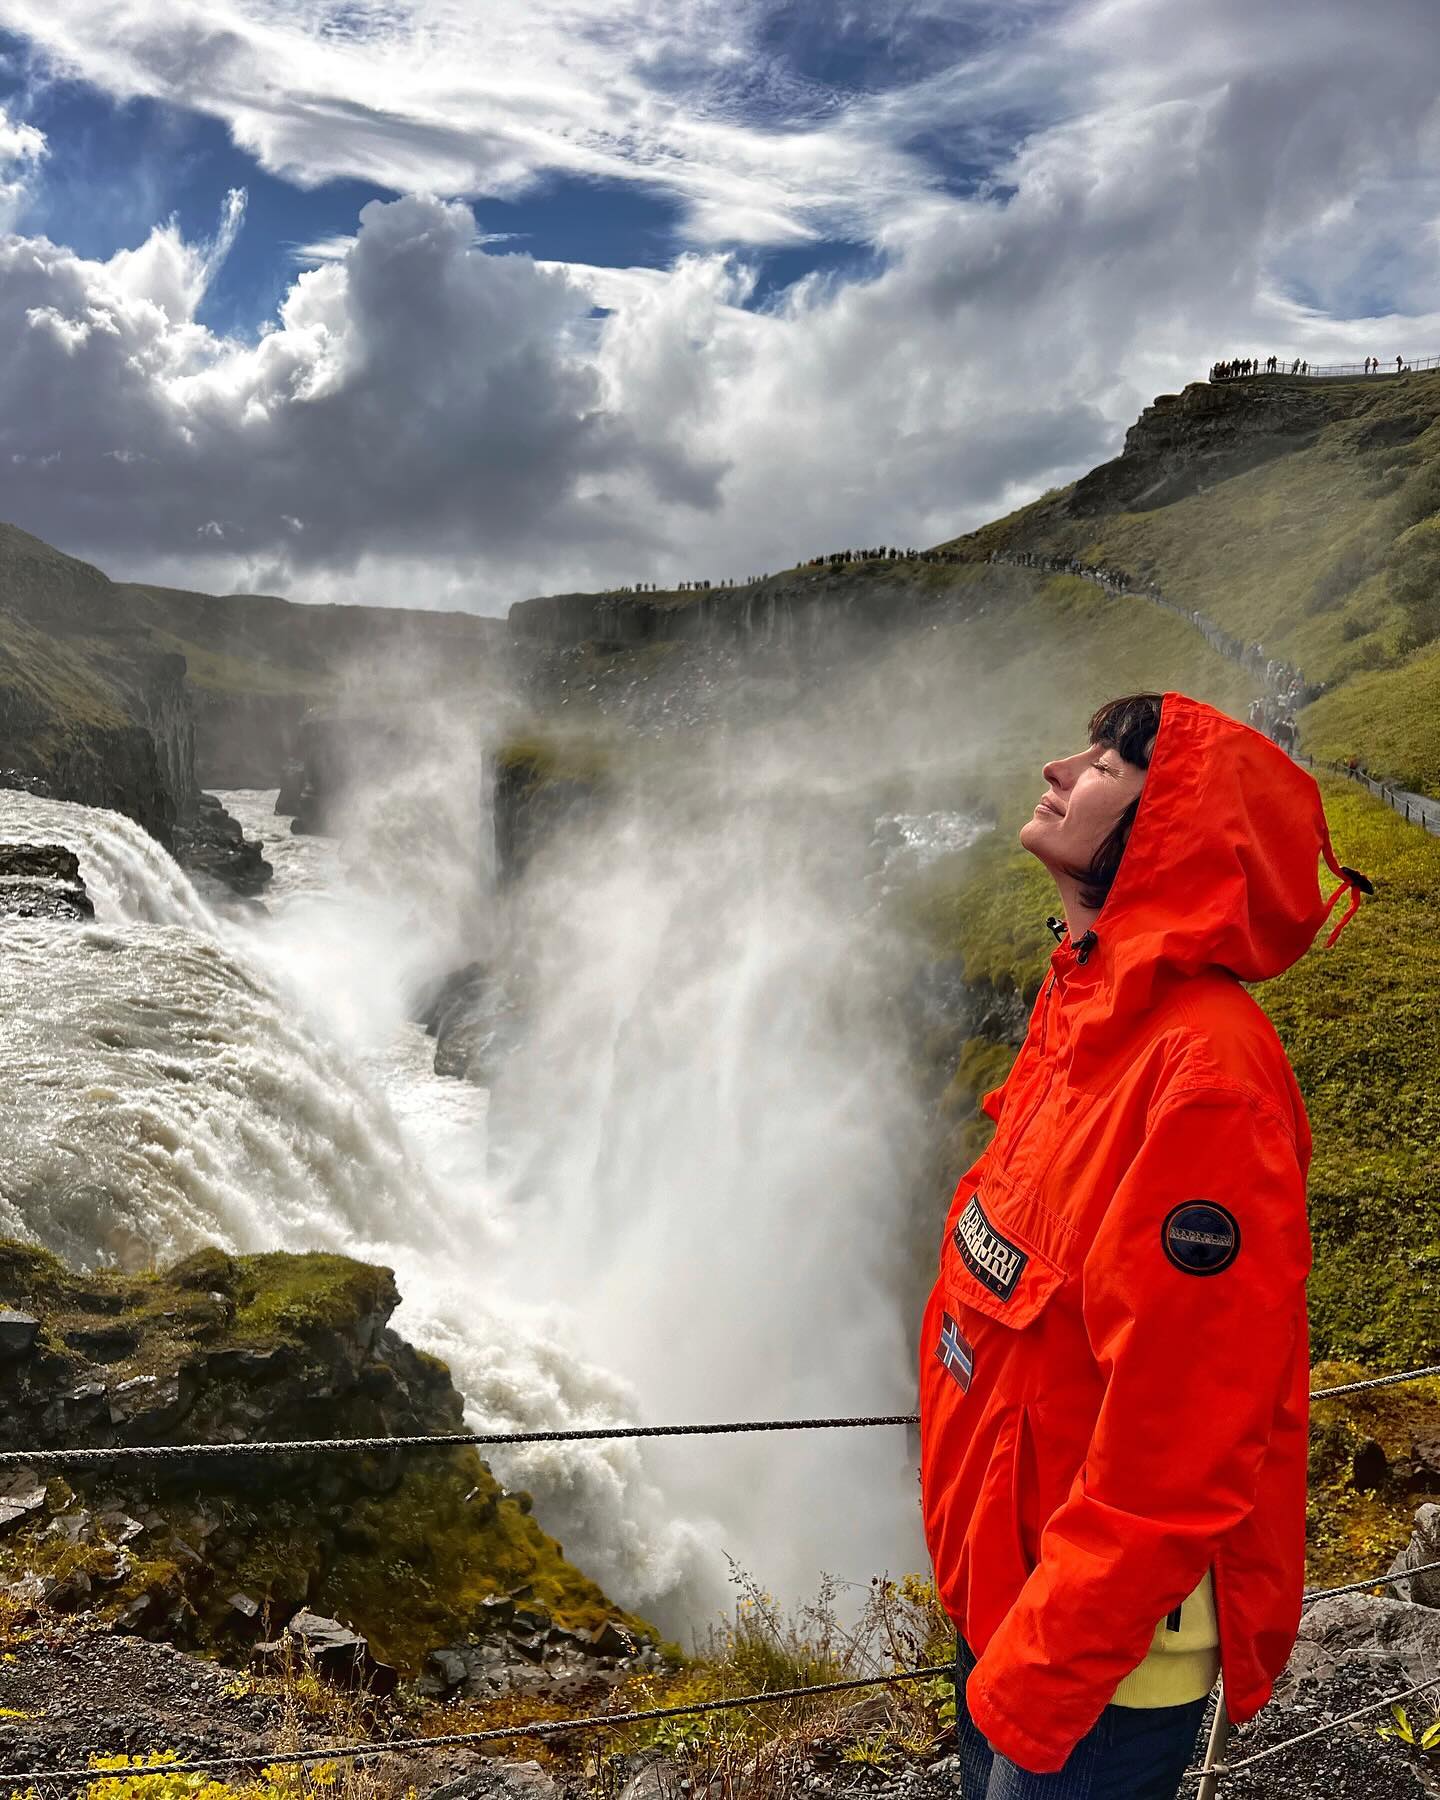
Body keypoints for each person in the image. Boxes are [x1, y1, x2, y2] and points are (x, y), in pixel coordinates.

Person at [919, 690, 1374, 1799]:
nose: (1059, 765)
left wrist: (1038, 1679)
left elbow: (1182, 1440)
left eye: (1108, 761)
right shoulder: (1086, 1011)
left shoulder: (1203, 1080)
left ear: (1168, 824)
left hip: (1095, 1672)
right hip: (1013, 1601)